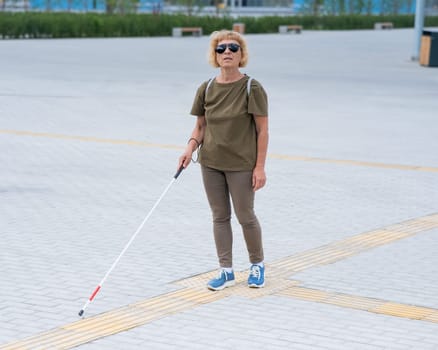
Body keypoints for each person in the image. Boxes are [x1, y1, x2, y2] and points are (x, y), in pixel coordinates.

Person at [178, 29, 269, 291]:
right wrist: (189, 149)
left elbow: (262, 131)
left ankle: (257, 265)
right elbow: (200, 127)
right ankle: (226, 270)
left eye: (232, 48)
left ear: (241, 55)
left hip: (241, 164)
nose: (226, 52)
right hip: (211, 163)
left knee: (245, 216)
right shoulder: (206, 88)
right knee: (219, 216)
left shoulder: (252, 88)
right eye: (221, 49)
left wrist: (260, 167)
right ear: (215, 56)